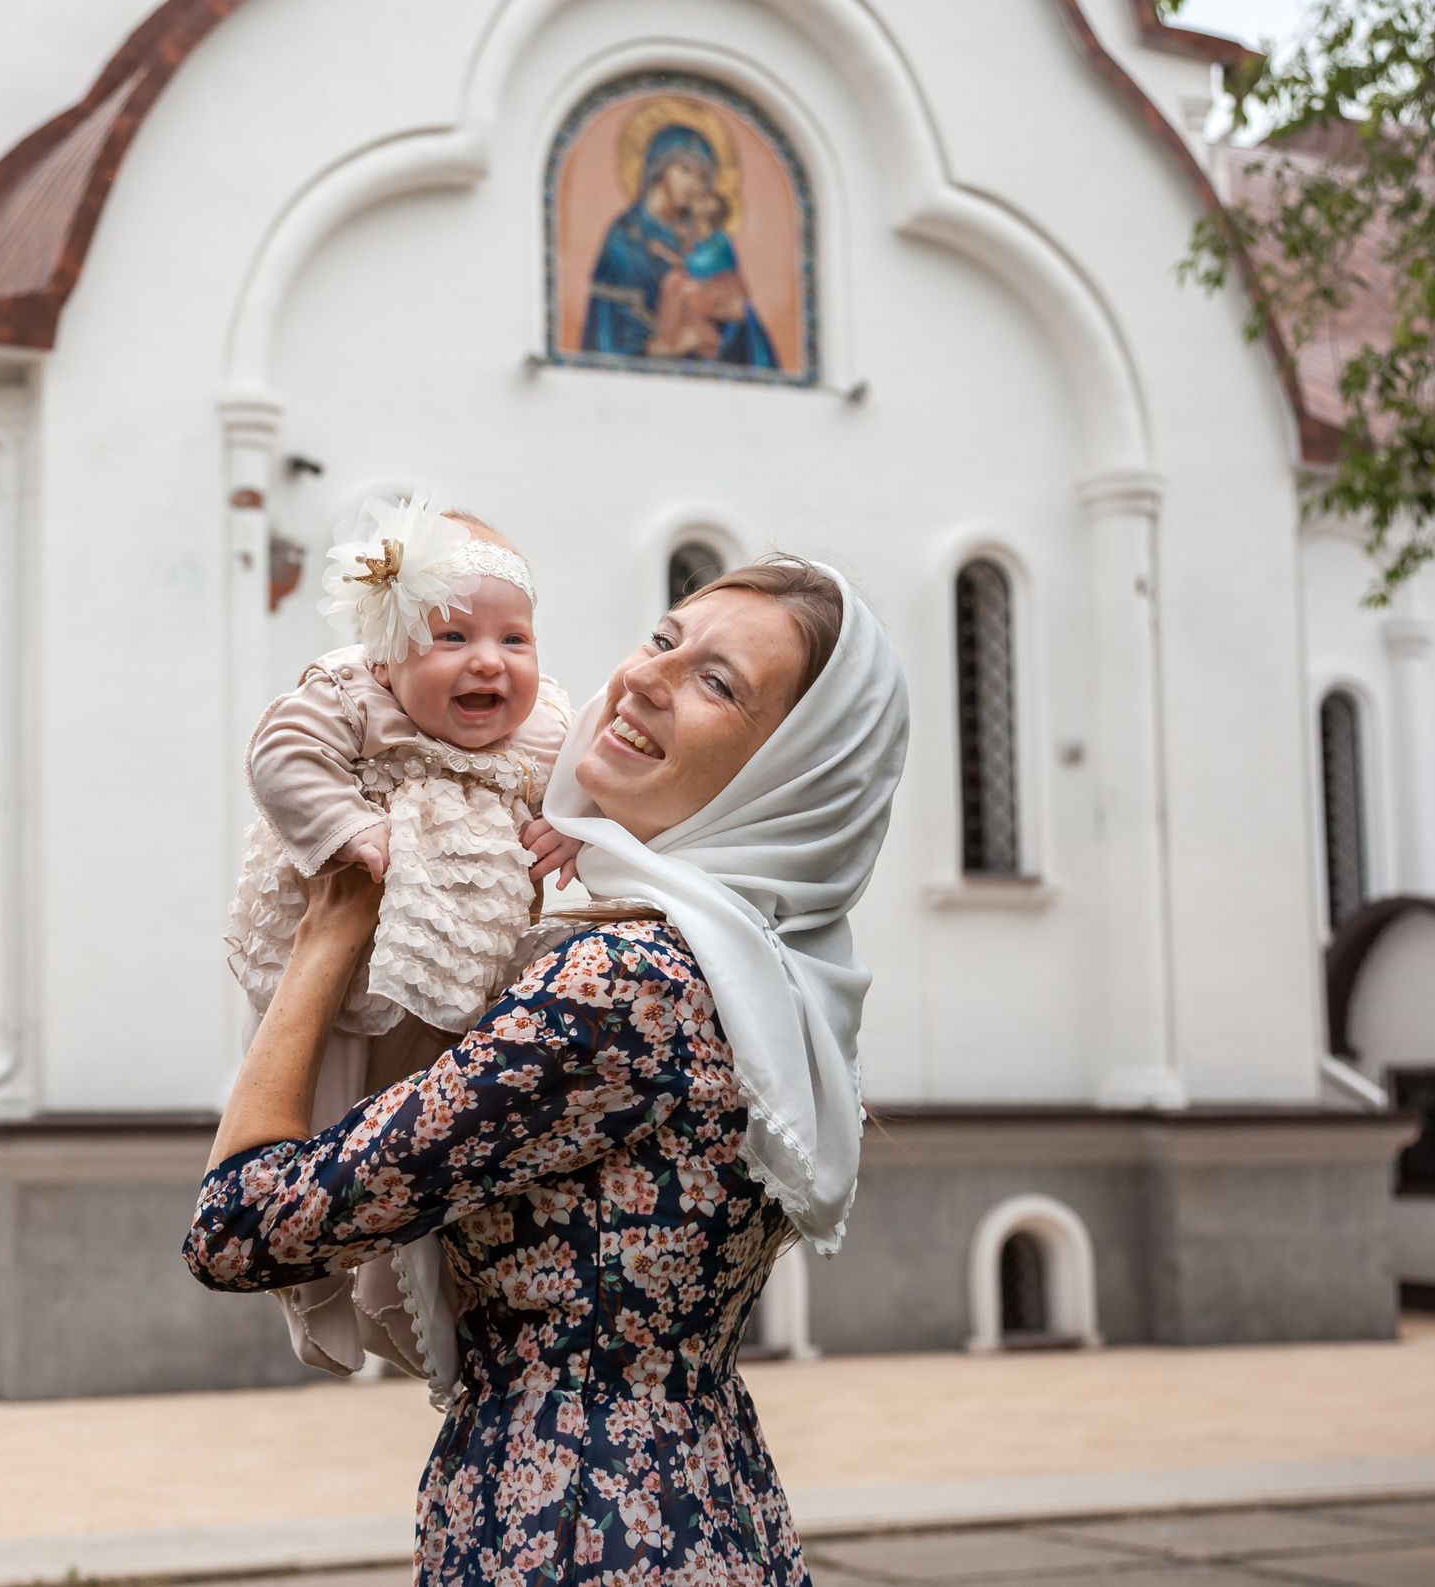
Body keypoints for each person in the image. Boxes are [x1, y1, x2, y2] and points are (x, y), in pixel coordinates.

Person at [186, 557, 909, 1586]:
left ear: (788, 773)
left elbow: (240, 1228)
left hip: (573, 1526)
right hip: (711, 1504)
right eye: (663, 639)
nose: (647, 677)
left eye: (717, 683)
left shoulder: (625, 985)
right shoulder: (759, 973)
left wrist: (327, 932)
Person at [224, 494, 581, 1382]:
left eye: (514, 638)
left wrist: (572, 826)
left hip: (455, 977)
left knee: (417, 1147)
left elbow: (586, 790)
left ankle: (399, 1304)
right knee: (318, 1124)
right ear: (386, 652)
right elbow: (280, 754)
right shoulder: (350, 690)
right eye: (451, 637)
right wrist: (346, 827)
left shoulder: (547, 726)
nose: (489, 661)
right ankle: (310, 1291)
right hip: (344, 982)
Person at [582, 123, 779, 369]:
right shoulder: (624, 238)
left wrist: (739, 317)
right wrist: (660, 347)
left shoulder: (707, 237)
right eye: (685, 170)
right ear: (659, 168)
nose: (694, 184)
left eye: (702, 178)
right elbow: (607, 331)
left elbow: (735, 308)